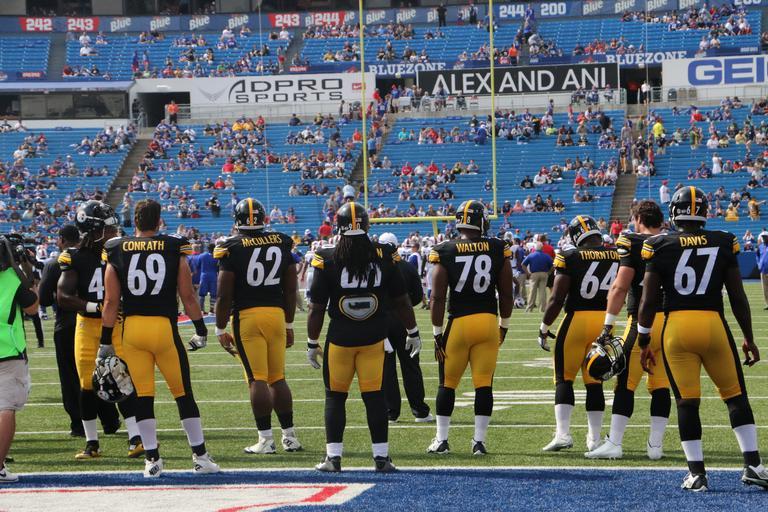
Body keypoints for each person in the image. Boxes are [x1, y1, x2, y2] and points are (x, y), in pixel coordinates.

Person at [638, 186, 768, 491]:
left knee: (687, 403)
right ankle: (753, 465)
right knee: (735, 396)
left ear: (674, 212)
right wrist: (748, 337)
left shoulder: (658, 244)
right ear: (704, 212)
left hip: (677, 329)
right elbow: (737, 297)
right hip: (713, 325)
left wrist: (644, 341)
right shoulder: (723, 241)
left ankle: (696, 474)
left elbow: (648, 301)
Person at [101, 199, 219, 478]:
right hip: (164, 329)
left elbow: (111, 301)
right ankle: (200, 457)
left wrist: (105, 341)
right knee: (183, 394)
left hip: (132, 331)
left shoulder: (116, 247)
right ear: (159, 221)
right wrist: (200, 329)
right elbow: (188, 295)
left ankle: (152, 460)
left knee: (143, 397)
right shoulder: (173, 246)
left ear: (135, 221)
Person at [307, 202, 422, 472]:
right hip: (373, 338)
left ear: (338, 227)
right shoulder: (384, 254)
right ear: (367, 225)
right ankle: (381, 458)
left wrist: (312, 342)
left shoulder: (327, 257)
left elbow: (316, 307)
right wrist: (413, 331)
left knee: (335, 397)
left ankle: (333, 458)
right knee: (375, 397)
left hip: (340, 339)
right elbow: (402, 300)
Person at [213, 198, 302, 454]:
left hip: (247, 317)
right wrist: (289, 324)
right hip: (276, 315)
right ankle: (290, 437)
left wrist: (219, 329)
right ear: (263, 219)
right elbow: (291, 289)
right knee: (278, 378)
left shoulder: (231, 246)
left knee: (257, 379)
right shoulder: (281, 241)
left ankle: (265, 440)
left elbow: (224, 295)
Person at [427, 200, 514, 455]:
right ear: (482, 221)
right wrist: (504, 325)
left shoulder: (445, 249)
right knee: (484, 384)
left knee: (447, 384)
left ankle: (442, 440)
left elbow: (437, 297)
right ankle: (479, 442)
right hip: (487, 322)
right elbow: (506, 293)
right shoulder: (498, 247)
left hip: (459, 324)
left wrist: (437, 333)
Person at [57, 201, 143, 459]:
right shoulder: (74, 257)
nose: (114, 232)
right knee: (86, 384)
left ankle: (136, 438)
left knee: (123, 378)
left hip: (116, 325)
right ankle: (91, 443)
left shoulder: (119, 252)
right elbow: (63, 296)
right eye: (108, 228)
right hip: (88, 325)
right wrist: (97, 306)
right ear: (92, 230)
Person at [585, 200, 669, 460]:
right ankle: (655, 446)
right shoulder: (671, 241)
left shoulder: (632, 241)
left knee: (625, 382)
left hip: (641, 321)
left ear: (639, 219)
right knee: (661, 384)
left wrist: (608, 325)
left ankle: (615, 442)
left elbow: (620, 287)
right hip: (669, 322)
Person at [538, 215, 620, 452]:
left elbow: (557, 298)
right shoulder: (615, 255)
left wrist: (544, 327)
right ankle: (594, 439)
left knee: (564, 379)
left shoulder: (569, 255)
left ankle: (563, 434)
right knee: (595, 381)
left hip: (576, 321)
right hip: (605, 323)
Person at [378, 233, 432, 423]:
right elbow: (416, 296)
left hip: (382, 321)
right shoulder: (407, 267)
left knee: (386, 368)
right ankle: (419, 410)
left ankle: (390, 412)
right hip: (405, 321)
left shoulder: (375, 267)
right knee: (411, 366)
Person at [0, 234, 38, 482]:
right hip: (7, 350)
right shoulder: (12, 279)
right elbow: (33, 307)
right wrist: (27, 272)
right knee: (5, 408)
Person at [522, 243, 553, 313]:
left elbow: (523, 264)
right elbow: (552, 266)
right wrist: (549, 272)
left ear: (535, 248)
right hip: (544, 274)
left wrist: (527, 273)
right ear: (542, 248)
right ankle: (542, 309)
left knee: (532, 291)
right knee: (543, 291)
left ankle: (529, 308)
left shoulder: (531, 255)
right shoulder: (547, 256)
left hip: (534, 274)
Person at [197, 243, 218, 314]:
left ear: (207, 248)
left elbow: (198, 266)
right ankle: (211, 310)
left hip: (204, 276)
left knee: (202, 294)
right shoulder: (217, 256)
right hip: (213, 276)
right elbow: (219, 268)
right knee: (213, 294)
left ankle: (201, 310)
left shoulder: (202, 256)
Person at [758, 234, 768, 310]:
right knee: (764, 289)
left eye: (765, 237)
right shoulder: (760, 246)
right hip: (763, 270)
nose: (764, 239)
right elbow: (757, 255)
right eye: (763, 237)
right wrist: (759, 264)